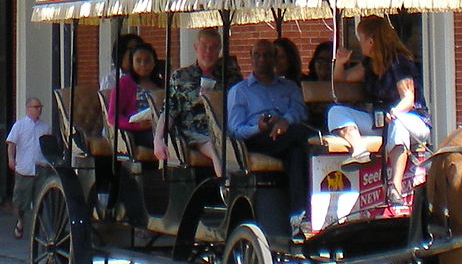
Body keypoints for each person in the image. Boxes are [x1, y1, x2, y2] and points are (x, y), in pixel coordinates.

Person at [325, 15, 429, 205]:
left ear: (371, 41)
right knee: (335, 112)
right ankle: (359, 149)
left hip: (412, 119)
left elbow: (408, 99)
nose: (359, 44)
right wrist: (340, 62)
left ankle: (395, 188)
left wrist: (395, 112)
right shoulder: (369, 63)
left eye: (360, 39)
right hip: (381, 121)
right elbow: (343, 78)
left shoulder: (399, 61)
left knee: (399, 125)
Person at [227, 40, 319, 224]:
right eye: (257, 55)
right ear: (251, 58)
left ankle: (298, 218)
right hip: (257, 139)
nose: (262, 59)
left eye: (267, 55)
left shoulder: (289, 87)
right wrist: (259, 127)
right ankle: (319, 143)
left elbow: (300, 111)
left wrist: (285, 121)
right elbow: (236, 131)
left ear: (274, 58)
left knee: (297, 154)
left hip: (288, 137)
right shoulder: (239, 91)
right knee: (301, 137)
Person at [161, 28, 228, 177]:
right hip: (195, 131)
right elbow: (169, 110)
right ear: (196, 47)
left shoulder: (228, 75)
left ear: (219, 50)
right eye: (204, 46)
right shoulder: (181, 76)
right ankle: (226, 187)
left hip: (225, 128)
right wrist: (159, 138)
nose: (208, 52)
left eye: (213, 47)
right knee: (217, 149)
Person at [105, 41, 159, 153]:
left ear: (154, 62)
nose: (143, 64)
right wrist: (136, 125)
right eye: (138, 61)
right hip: (138, 132)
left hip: (162, 127)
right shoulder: (124, 83)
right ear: (132, 63)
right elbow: (112, 117)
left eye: (147, 60)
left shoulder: (161, 83)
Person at [6, 96, 48, 238]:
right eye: (35, 107)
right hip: (24, 168)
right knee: (20, 201)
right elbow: (11, 144)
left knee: (40, 200)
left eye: (40, 107)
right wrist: (11, 159)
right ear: (28, 108)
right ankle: (20, 221)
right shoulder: (19, 125)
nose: (39, 110)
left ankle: (39, 228)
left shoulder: (45, 127)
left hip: (40, 168)